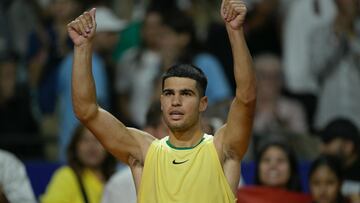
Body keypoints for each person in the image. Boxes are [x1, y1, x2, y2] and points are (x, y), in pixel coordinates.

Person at [67, 0, 256, 202]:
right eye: (168, 93)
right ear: (161, 102)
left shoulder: (222, 149)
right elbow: (86, 111)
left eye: (186, 94)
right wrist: (82, 48)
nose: (175, 101)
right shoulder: (145, 152)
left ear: (203, 103)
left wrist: (235, 32)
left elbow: (246, 98)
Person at [41, 125, 117, 203]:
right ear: (75, 146)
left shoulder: (116, 180)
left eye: (98, 140)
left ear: (108, 146)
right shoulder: (66, 175)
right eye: (85, 140)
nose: (92, 146)